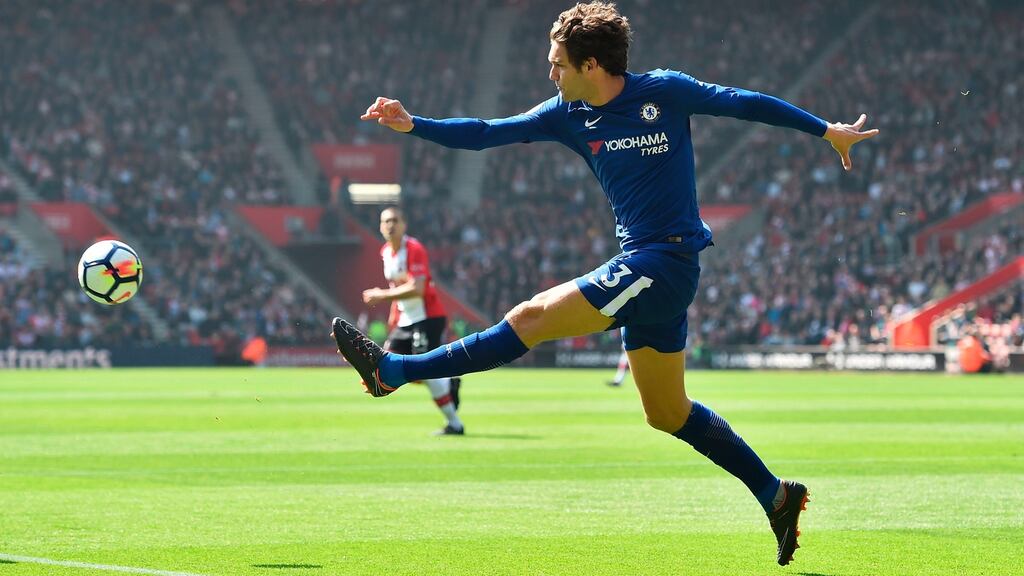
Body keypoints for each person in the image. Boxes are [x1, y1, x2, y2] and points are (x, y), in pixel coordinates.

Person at [333, 1, 877, 565]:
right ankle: (776, 495)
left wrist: (826, 130)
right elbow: (488, 132)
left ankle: (394, 371)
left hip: (663, 263)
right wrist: (414, 124)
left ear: (590, 65)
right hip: (648, 270)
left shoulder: (664, 91)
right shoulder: (567, 114)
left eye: (558, 63)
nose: (550, 72)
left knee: (530, 318)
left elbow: (744, 102)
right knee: (666, 412)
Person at [361, 206, 464, 435]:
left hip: (427, 318)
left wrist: (381, 295)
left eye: (395, 220)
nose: (390, 225)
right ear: (380, 226)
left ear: (404, 225)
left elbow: (418, 289)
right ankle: (448, 381)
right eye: (386, 221)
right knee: (387, 365)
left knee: (425, 371)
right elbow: (396, 286)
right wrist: (394, 314)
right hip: (405, 321)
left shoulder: (414, 249)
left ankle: (455, 424)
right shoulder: (385, 252)